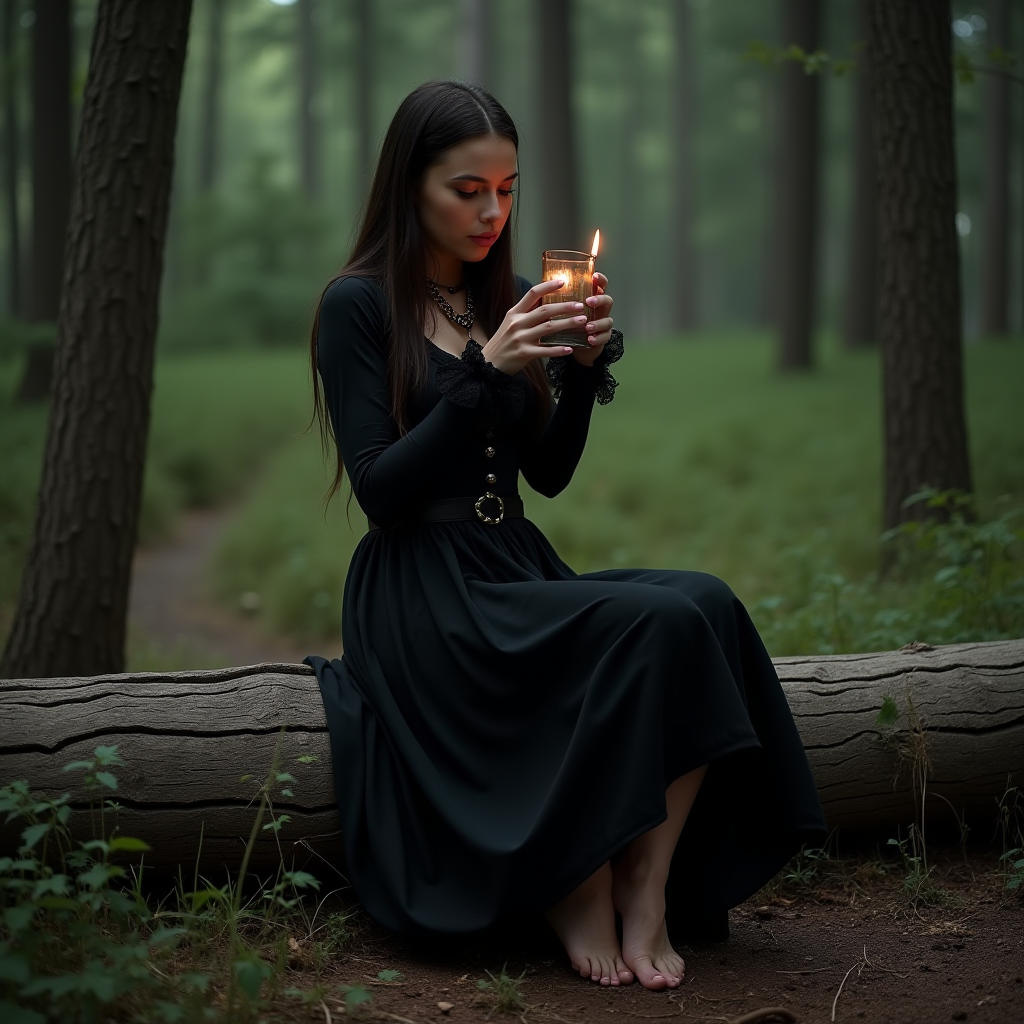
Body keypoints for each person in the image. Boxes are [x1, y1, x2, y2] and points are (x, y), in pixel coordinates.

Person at [305, 80, 826, 991]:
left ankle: (645, 882)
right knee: (654, 625)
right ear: (408, 183)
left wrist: (578, 374)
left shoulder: (497, 295)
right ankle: (571, 884)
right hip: (424, 588)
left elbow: (544, 475)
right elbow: (382, 491)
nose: (492, 211)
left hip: (510, 561)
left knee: (703, 600)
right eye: (467, 189)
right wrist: (483, 372)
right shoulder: (357, 306)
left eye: (506, 188)